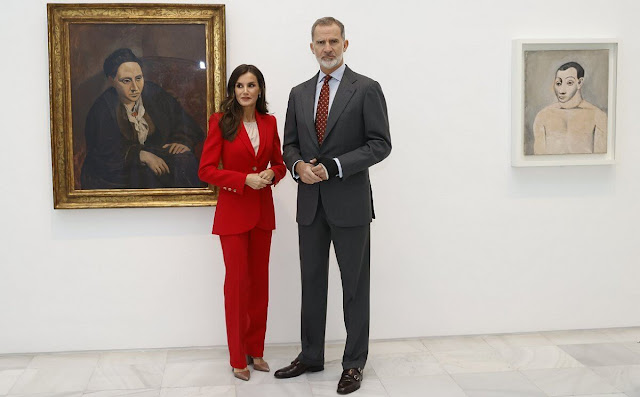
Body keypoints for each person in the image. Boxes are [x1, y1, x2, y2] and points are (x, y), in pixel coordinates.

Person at [274, 17, 391, 395]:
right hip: (310, 205)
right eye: (320, 42)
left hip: (351, 205)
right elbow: (289, 144)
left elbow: (379, 144)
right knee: (311, 283)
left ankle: (354, 363)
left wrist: (335, 167)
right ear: (311, 47)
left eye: (333, 41)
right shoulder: (299, 92)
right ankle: (311, 355)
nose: (327, 48)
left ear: (345, 44)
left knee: (354, 286)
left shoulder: (366, 89)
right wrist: (297, 167)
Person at [198, 64, 286, 381]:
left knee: (259, 285)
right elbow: (206, 170)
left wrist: (271, 174)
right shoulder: (220, 122)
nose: (245, 91)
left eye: (251, 85)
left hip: (262, 213)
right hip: (233, 214)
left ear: (260, 89)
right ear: (233, 91)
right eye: (239, 85)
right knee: (237, 286)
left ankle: (256, 351)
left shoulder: (269, 121)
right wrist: (243, 179)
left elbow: (279, 163)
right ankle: (237, 358)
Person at [81, 48, 204, 189]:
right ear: (112, 81)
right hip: (118, 172)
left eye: (138, 78)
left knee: (185, 161)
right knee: (144, 176)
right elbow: (103, 152)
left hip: (156, 156)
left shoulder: (154, 94)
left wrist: (182, 140)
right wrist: (139, 155)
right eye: (126, 81)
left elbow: (181, 120)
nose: (135, 87)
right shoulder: (102, 109)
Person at [533, 61, 608, 155]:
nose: (561, 90)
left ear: (579, 83)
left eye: (569, 83)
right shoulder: (542, 116)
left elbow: (600, 160)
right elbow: (539, 159)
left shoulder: (598, 116)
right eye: (558, 83)